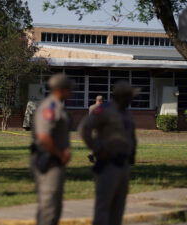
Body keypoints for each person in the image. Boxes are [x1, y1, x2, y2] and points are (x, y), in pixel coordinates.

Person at [78, 81, 138, 225]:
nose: (131, 99)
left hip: (124, 164)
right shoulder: (104, 110)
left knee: (119, 207)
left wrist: (132, 152)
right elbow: (84, 128)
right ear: (121, 96)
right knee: (104, 205)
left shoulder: (126, 113)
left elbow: (131, 135)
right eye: (129, 96)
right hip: (108, 164)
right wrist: (97, 149)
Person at [31, 73, 73, 225]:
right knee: (49, 205)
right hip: (49, 160)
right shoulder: (49, 107)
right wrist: (61, 154)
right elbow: (44, 137)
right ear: (61, 89)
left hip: (56, 161)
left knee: (55, 205)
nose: (71, 92)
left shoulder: (58, 105)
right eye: (68, 89)